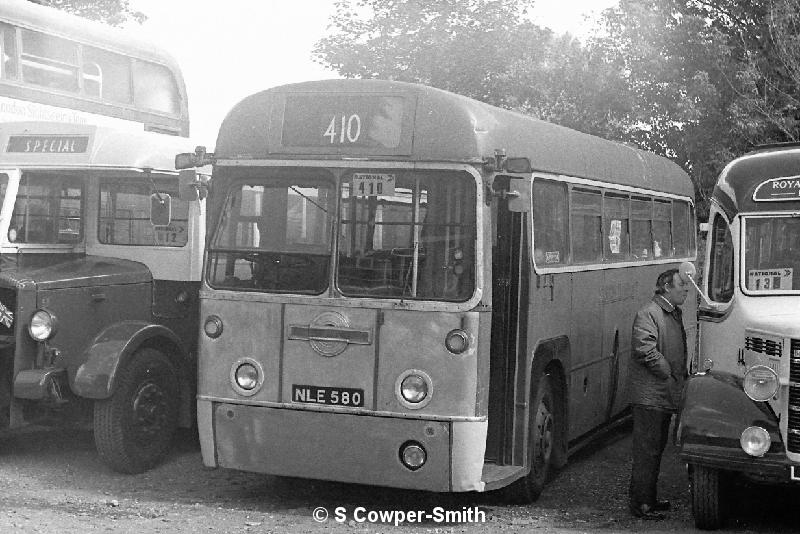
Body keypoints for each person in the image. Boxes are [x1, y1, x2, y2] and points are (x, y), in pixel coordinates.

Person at [628, 268, 690, 520]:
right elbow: (644, 349)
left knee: (653, 450)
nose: (686, 289)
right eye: (681, 285)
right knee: (647, 451)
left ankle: (647, 500)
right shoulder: (649, 313)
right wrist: (667, 373)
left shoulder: (670, 313)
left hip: (660, 396)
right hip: (650, 397)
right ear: (666, 287)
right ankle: (642, 504)